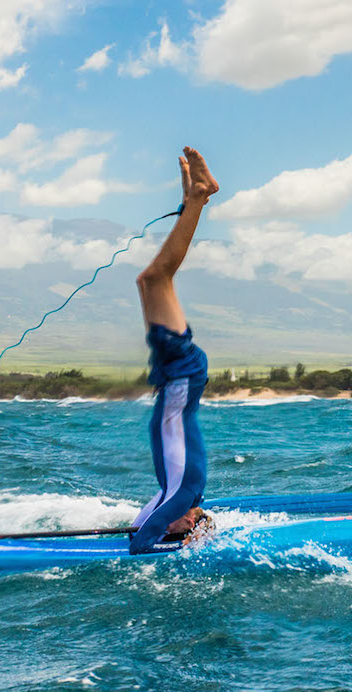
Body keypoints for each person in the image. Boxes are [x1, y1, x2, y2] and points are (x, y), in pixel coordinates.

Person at [128, 146, 220, 554]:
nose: (180, 518)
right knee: (155, 278)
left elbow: (141, 526)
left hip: (178, 375)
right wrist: (151, 547)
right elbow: (141, 537)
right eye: (190, 521)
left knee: (150, 280)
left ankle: (193, 200)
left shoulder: (175, 493)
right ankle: (198, 198)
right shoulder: (184, 493)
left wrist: (150, 543)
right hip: (180, 372)